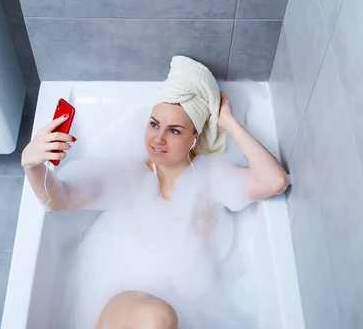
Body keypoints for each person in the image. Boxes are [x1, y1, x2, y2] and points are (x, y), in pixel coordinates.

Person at [22, 56, 289, 329]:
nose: (158, 138)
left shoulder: (211, 178)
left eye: (174, 130)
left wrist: (229, 121)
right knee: (158, 318)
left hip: (190, 312)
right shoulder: (129, 176)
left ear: (194, 139)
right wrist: (31, 165)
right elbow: (59, 199)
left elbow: (274, 181)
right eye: (153, 124)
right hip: (127, 305)